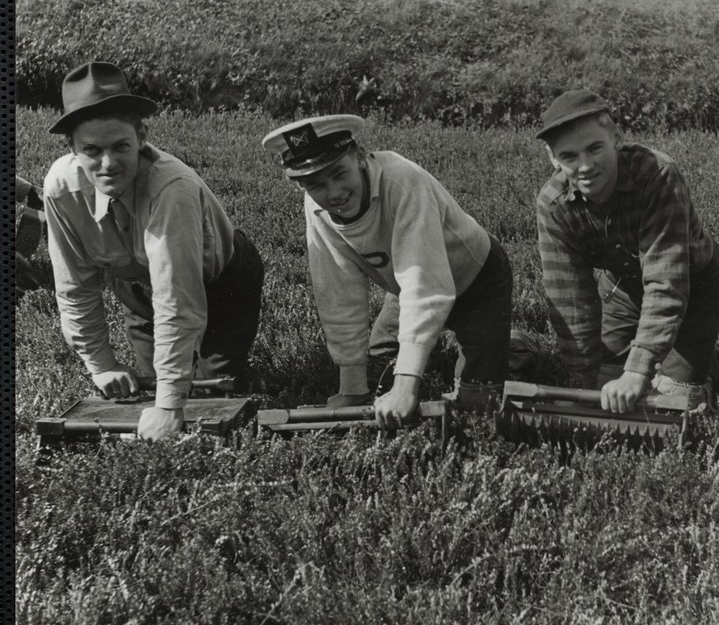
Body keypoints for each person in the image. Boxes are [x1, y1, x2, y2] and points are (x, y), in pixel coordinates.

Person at [43, 61, 264, 441]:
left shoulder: (171, 189)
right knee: (140, 393)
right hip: (137, 288)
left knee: (207, 401)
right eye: (91, 150)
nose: (108, 164)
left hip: (222, 282)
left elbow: (177, 298)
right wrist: (101, 365)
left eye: (120, 147)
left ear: (141, 136)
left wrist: (169, 404)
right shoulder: (61, 190)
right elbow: (75, 287)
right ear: (72, 149)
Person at [261, 115, 512, 429]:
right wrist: (352, 389)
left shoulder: (404, 183)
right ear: (300, 184)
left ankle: (518, 346)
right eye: (315, 184)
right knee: (380, 366)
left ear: (360, 156)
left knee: (475, 410)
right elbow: (338, 295)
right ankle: (441, 347)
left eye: (340, 174)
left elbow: (427, 285)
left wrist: (407, 386)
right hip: (407, 288)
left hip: (476, 282)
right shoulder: (317, 208)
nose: (334, 193)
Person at [534, 89, 719, 414]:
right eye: (569, 156)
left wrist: (638, 371)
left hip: (694, 286)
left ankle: (695, 358)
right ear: (553, 158)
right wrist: (582, 383)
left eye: (595, 148)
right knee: (602, 390)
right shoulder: (553, 205)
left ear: (618, 138)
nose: (585, 166)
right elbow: (570, 298)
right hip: (623, 286)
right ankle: (662, 352)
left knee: (672, 404)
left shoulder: (658, 175)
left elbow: (667, 283)